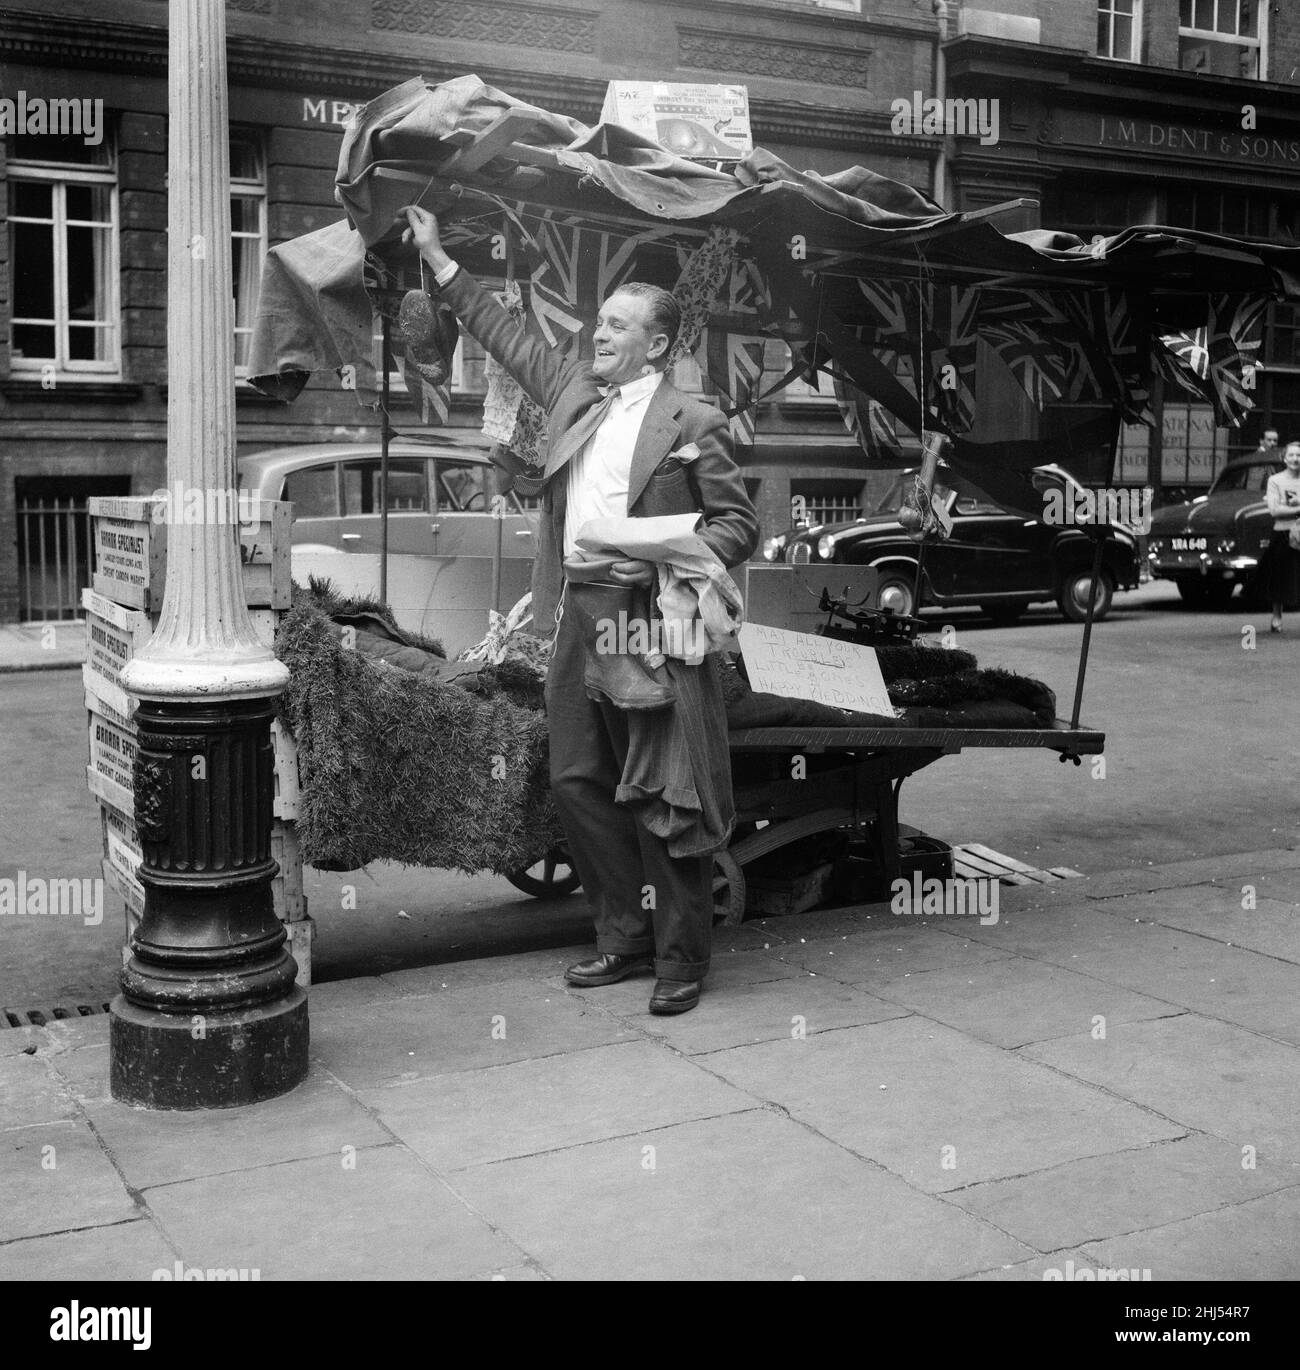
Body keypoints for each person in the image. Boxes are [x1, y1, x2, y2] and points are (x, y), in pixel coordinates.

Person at [401, 204, 760, 1014]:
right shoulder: (572, 390)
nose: (598, 335)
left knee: (665, 794)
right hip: (576, 617)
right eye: (599, 322)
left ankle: (680, 961)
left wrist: (655, 548)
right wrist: (438, 255)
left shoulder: (694, 420)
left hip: (650, 618)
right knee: (576, 781)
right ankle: (620, 940)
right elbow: (503, 330)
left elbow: (739, 524)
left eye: (618, 326)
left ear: (659, 344)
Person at [1264, 441, 1300, 633]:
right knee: (1280, 576)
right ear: (1285, 458)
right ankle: (1277, 615)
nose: (1295, 459)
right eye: (1292, 455)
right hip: (1282, 533)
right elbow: (1275, 510)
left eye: (1299, 455)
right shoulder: (1275, 480)